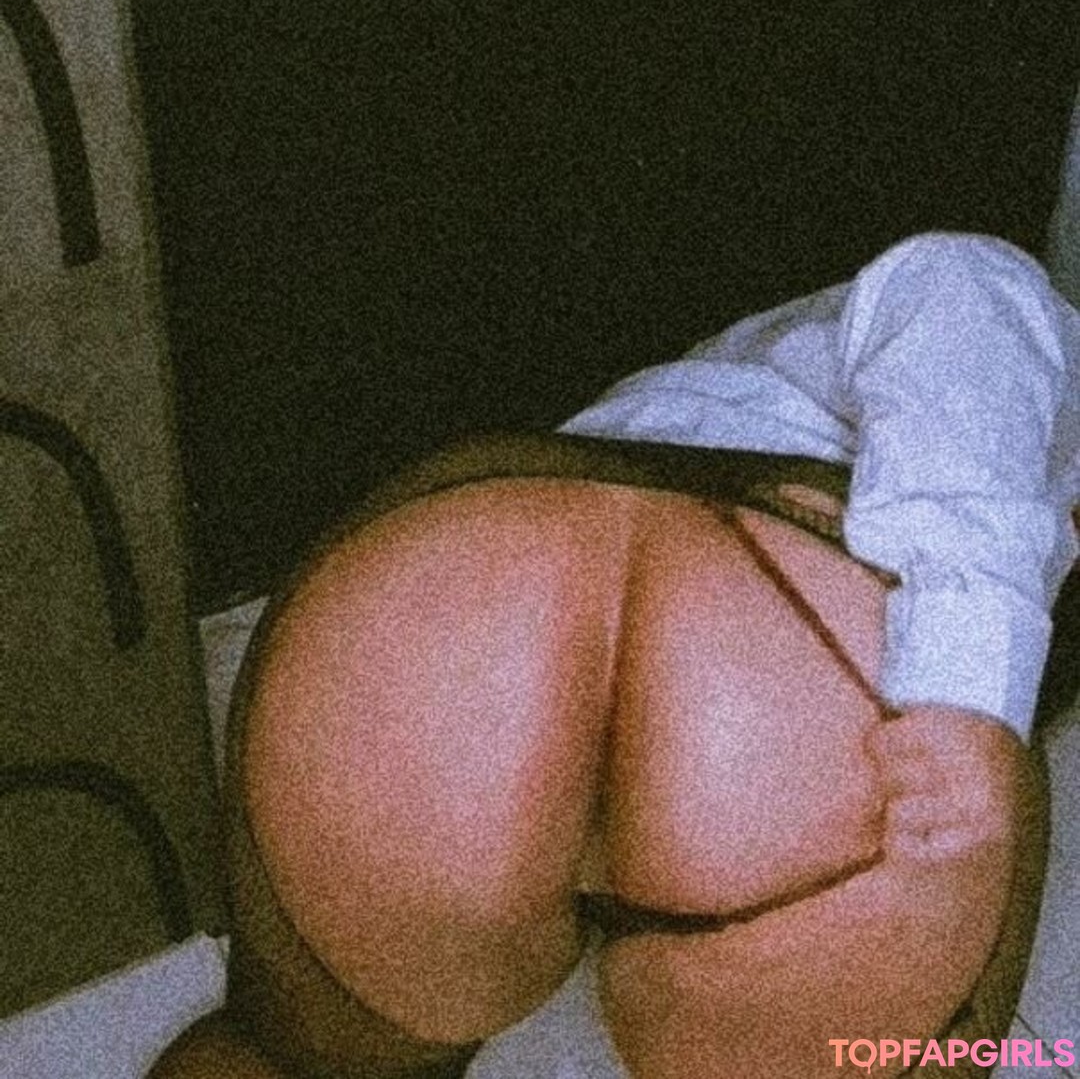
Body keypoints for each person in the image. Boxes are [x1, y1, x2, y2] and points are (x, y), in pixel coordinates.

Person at [150, 233, 1080, 1079]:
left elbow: (969, 283)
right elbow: (969, 279)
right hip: (798, 698)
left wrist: (973, 675)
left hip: (466, 598)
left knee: (279, 1057)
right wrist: (969, 689)